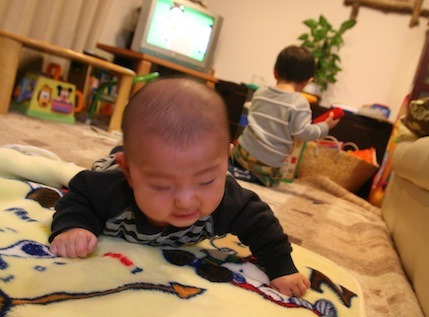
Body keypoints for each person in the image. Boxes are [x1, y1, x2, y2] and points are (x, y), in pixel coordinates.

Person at [49, 78, 310, 297]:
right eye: (162, 186)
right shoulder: (110, 188)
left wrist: (282, 268)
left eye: (206, 181)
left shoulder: (230, 200)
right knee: (107, 162)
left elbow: (262, 224)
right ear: (130, 173)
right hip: (115, 166)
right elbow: (79, 194)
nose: (185, 201)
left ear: (225, 163)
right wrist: (74, 227)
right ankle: (121, 151)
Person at [231, 45, 340, 187]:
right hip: (266, 165)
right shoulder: (299, 103)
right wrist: (325, 127)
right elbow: (303, 133)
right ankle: (255, 176)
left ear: (275, 72)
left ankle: (237, 169)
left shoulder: (260, 93)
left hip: (241, 153)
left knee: (236, 152)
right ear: (307, 81)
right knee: (274, 178)